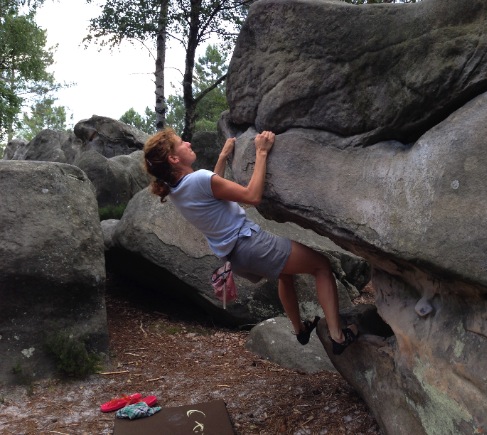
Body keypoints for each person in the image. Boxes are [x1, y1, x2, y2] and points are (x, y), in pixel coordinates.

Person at [143, 127, 357, 355]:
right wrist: (261, 152)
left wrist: (223, 156)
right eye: (181, 143)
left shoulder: (175, 190)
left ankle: (300, 330)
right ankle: (338, 337)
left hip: (235, 259)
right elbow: (252, 196)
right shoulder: (199, 179)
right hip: (251, 244)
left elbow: (211, 191)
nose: (187, 143)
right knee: (321, 266)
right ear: (174, 159)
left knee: (285, 274)